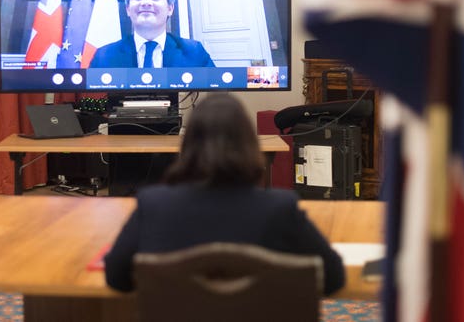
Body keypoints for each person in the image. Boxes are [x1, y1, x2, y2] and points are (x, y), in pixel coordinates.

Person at [104, 93, 345, 295]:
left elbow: (117, 278)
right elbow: (333, 279)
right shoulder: (279, 207)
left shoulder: (154, 204)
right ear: (249, 144)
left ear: (188, 145)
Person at [89, 0, 215, 68]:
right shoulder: (103, 56)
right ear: (128, 9)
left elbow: (214, 98)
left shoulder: (195, 52)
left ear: (170, 8)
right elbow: (91, 101)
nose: (146, 2)